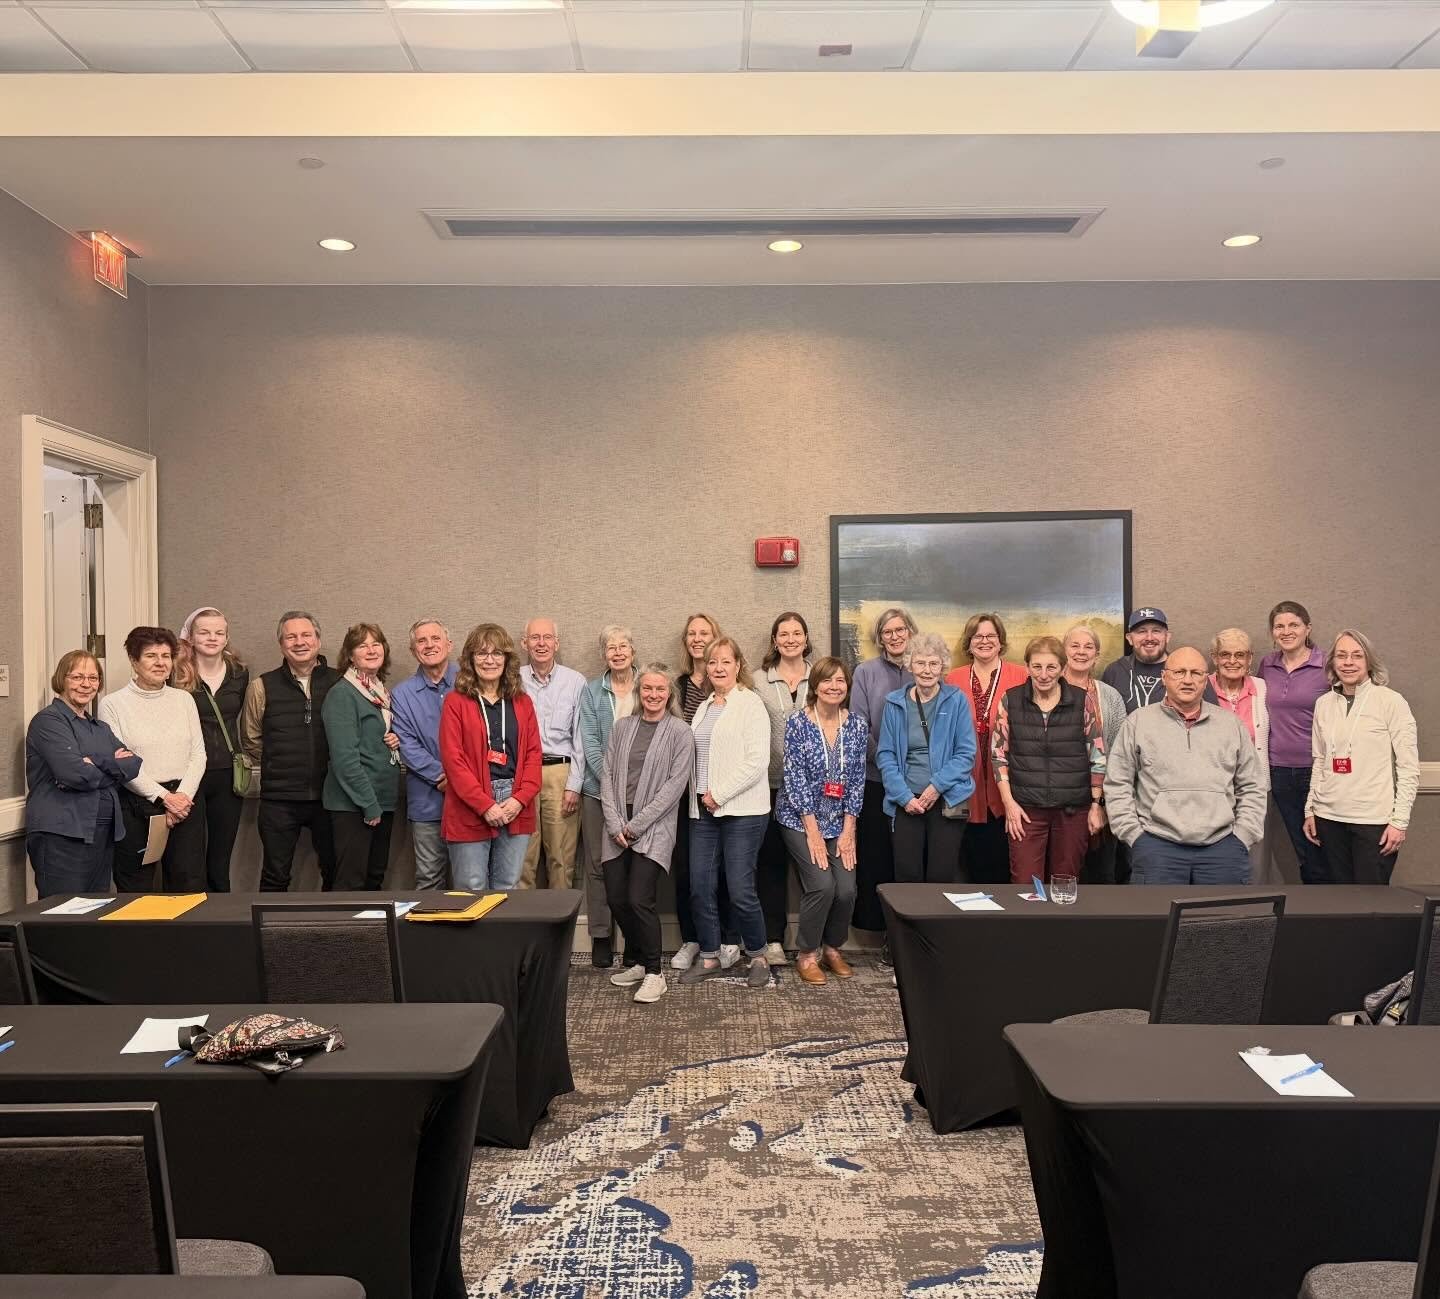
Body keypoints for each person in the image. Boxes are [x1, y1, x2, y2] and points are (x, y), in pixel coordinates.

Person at [1104, 646, 1265, 885]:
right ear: (1164, 677)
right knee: (1156, 921)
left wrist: (1242, 836)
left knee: (1223, 922)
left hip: (1223, 850)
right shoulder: (1138, 722)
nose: (1187, 680)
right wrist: (1135, 836)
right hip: (1157, 849)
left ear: (1205, 680)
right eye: (1179, 672)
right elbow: (1118, 783)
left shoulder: (1230, 725)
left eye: (1196, 673)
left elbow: (1252, 785)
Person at [678, 637, 773, 989]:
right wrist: (700, 798)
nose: (718, 668)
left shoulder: (750, 704)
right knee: (700, 886)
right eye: (713, 662)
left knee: (740, 889)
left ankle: (759, 956)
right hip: (702, 813)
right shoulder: (704, 707)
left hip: (743, 812)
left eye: (725, 662)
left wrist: (719, 794)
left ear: (738, 665)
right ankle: (709, 955)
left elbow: (757, 761)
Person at [600, 663, 696, 1005]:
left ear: (669, 693)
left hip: (654, 827)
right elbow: (607, 775)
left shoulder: (680, 732)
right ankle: (639, 961)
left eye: (660, 689)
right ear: (639, 693)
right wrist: (615, 824)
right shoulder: (623, 727)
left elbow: (674, 788)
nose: (653, 695)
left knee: (640, 897)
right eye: (647, 689)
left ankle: (656, 973)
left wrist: (635, 824)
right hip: (615, 826)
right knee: (616, 897)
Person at [776, 657, 867, 986]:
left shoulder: (856, 725)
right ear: (814, 686)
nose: (834, 686)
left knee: (846, 890)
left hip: (840, 820)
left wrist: (849, 830)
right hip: (800, 819)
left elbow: (856, 780)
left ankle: (832, 948)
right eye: (827, 681)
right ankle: (807, 954)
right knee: (821, 884)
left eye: (840, 681)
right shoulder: (798, 723)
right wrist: (813, 834)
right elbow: (794, 779)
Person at [1303, 630, 1419, 885]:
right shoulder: (1323, 704)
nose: (1348, 662)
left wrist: (1399, 822)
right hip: (1329, 818)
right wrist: (1310, 808)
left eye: (1357, 655)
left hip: (1373, 821)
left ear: (1369, 662)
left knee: (1371, 905)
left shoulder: (1391, 702)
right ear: (1333, 661)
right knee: (1340, 903)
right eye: (1342, 655)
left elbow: (1409, 768)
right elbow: (1320, 760)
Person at [98, 626, 207, 892]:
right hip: (137, 805)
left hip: (186, 802)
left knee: (188, 884)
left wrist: (180, 799)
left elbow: (198, 754)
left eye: (166, 656)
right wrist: (164, 799)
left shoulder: (184, 700)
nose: (160, 662)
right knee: (136, 887)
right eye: (150, 656)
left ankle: (183, 936)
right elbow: (122, 765)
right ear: (134, 661)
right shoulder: (112, 704)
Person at [241, 610, 342, 891]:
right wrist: (281, 765)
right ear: (282, 644)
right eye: (291, 636)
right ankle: (269, 934)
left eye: (306, 635)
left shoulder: (340, 683)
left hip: (331, 796)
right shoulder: (261, 686)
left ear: (318, 641)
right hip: (279, 799)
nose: (299, 642)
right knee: (275, 875)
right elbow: (251, 739)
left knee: (336, 872)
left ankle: (333, 934)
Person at [992, 636, 1106, 886]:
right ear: (1027, 667)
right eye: (1037, 666)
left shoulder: (1081, 700)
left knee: (1065, 884)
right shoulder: (1010, 700)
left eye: (1051, 667)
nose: (1043, 674)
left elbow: (1097, 757)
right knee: (1025, 885)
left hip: (1073, 812)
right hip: (1025, 811)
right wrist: (1009, 803)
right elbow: (999, 755)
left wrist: (1097, 805)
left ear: (1062, 669)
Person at [25, 650, 140, 895]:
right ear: (61, 680)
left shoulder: (99, 727)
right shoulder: (48, 721)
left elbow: (133, 765)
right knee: (63, 913)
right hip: (63, 833)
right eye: (77, 677)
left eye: (93, 678)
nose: (86, 685)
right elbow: (75, 774)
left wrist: (93, 761)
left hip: (102, 834)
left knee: (93, 912)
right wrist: (110, 764)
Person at [439, 623, 543, 892]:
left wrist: (519, 800)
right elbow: (453, 760)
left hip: (514, 801)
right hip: (470, 803)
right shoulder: (455, 702)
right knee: (471, 888)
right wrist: (485, 805)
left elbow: (533, 754)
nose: (490, 660)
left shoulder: (522, 702)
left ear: (507, 659)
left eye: (497, 653)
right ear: (470, 660)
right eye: (482, 653)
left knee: (507, 887)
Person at [876, 632, 977, 885]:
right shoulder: (894, 703)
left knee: (941, 876)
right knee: (906, 876)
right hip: (906, 801)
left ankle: (938, 927)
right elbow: (885, 755)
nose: (927, 670)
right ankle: (905, 927)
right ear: (910, 664)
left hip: (947, 800)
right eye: (920, 663)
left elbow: (966, 754)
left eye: (934, 663)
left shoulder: (957, 701)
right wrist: (904, 796)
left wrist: (935, 787)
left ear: (942, 666)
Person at [849, 606, 916, 954]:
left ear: (910, 632)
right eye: (888, 631)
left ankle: (906, 935)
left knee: (909, 861)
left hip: (918, 786)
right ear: (880, 637)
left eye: (900, 629)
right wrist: (889, 766)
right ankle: (882, 933)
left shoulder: (925, 669)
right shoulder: (866, 672)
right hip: (876, 782)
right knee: (878, 857)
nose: (895, 636)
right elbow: (859, 726)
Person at [945, 613, 1028, 883]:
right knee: (967, 866)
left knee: (1002, 864)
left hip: (1006, 784)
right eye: (977, 636)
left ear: (1000, 641)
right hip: (964, 782)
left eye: (990, 636)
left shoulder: (1021, 676)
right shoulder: (952, 679)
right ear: (968, 644)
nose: (984, 641)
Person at [171, 606, 249, 893]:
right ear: (190, 637)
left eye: (219, 632)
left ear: (227, 638)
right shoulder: (176, 674)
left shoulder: (240, 674)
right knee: (188, 858)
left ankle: (221, 920)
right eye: (204, 632)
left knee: (220, 857)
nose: (212, 638)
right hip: (188, 775)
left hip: (228, 774)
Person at [669, 613, 730, 973]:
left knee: (724, 870)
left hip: (723, 791)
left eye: (704, 633)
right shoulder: (678, 685)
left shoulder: (726, 685)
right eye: (691, 633)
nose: (697, 638)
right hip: (684, 792)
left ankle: (723, 940)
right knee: (687, 871)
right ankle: (692, 939)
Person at [322, 623, 402, 891]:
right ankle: (344, 936)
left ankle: (374, 935)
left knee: (374, 880)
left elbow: (374, 739)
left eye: (376, 644)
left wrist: (394, 739)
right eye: (362, 645)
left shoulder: (378, 690)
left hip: (382, 799)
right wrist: (369, 804)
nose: (371, 650)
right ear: (350, 655)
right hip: (355, 805)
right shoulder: (343, 694)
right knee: (350, 885)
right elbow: (344, 759)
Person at [754, 611, 813, 964]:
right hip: (770, 785)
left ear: (806, 639)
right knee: (770, 863)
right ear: (775, 641)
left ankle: (811, 940)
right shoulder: (759, 679)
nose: (790, 639)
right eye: (784, 634)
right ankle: (772, 938)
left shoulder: (820, 675)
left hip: (812, 789)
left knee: (812, 865)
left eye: (797, 633)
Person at [579, 625, 639, 968]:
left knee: (636, 867)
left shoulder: (647, 685)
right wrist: (611, 788)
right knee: (598, 866)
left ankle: (634, 937)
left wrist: (633, 790)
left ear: (632, 650)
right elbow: (590, 744)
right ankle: (601, 936)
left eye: (623, 646)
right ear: (604, 655)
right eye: (610, 648)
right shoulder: (591, 692)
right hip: (597, 793)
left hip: (641, 796)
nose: (617, 652)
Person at [1259, 600, 1329, 884]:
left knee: (1324, 846)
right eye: (1279, 626)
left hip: (1317, 770)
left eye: (1294, 625)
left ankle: (1335, 908)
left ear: (1307, 628)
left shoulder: (1326, 664)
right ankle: (1314, 907)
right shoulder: (1267, 664)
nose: (1286, 631)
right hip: (1279, 770)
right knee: (1303, 847)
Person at [389, 618, 457, 890]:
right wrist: (446, 777)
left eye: (435, 639)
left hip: (473, 801)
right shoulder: (401, 694)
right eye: (421, 641)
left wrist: (461, 780)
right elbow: (405, 743)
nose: (429, 645)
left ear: (449, 645)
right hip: (427, 803)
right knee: (429, 880)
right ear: (413, 649)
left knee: (474, 882)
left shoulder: (469, 683)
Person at [519, 616, 586, 891]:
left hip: (561, 773)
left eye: (547, 638)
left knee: (561, 858)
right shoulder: (514, 679)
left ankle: (561, 931)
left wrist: (575, 785)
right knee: (523, 858)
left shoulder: (575, 681)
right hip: (522, 774)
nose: (541, 643)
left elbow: (581, 737)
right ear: (525, 644)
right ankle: (521, 928)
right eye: (535, 638)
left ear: (556, 643)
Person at [1061, 624, 1128, 883]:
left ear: (1097, 655)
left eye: (1088, 647)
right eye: (1074, 645)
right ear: (1064, 650)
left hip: (1102, 799)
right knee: (1064, 873)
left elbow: (1120, 751)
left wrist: (1100, 804)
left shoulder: (1109, 696)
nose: (1081, 652)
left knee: (1101, 873)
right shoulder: (1046, 689)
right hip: (1060, 799)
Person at [1208, 628, 1271, 877]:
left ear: (1250, 658)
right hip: (1213, 789)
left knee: (1253, 858)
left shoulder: (1262, 688)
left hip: (1253, 789)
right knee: (1214, 859)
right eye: (1225, 654)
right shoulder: (1203, 686)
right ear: (1214, 657)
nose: (1232, 661)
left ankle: (1253, 913)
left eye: (1240, 655)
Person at [1101, 607, 1218, 714]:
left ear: (1167, 636)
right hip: (1127, 737)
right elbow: (1104, 719)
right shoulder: (1115, 671)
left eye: (1156, 631)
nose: (1149, 638)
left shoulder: (1192, 670)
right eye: (1141, 631)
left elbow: (1213, 715)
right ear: (1130, 638)